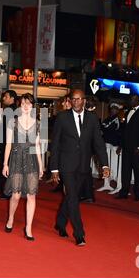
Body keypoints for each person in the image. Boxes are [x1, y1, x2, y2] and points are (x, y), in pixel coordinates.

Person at [50, 89, 110, 246]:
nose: (76, 102)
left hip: (83, 165)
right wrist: (54, 168)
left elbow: (98, 143)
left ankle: (60, 223)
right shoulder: (62, 117)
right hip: (66, 165)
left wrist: (104, 164)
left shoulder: (92, 118)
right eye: (73, 99)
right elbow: (55, 145)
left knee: (71, 196)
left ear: (84, 101)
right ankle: (79, 233)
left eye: (79, 99)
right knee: (73, 198)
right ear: (70, 101)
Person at [3, 93, 43, 241]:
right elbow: (8, 144)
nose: (26, 106)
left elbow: (37, 146)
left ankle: (28, 228)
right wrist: (5, 164)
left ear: (33, 106)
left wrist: (41, 165)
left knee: (32, 195)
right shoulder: (12, 122)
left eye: (29, 103)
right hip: (16, 159)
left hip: (32, 160)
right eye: (24, 103)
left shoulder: (39, 123)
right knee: (16, 195)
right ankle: (11, 218)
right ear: (20, 105)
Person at [116, 94, 139, 201]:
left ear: (136, 100)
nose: (129, 102)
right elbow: (124, 131)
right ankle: (124, 192)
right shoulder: (127, 111)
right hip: (126, 146)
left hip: (137, 147)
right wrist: (121, 145)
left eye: (131, 100)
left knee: (138, 171)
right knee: (125, 170)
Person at [98, 103, 122, 192]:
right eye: (112, 108)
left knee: (115, 166)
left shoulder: (117, 120)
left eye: (116, 109)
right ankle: (106, 184)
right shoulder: (107, 119)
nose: (114, 110)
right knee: (106, 165)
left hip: (115, 145)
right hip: (106, 144)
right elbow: (102, 129)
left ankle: (118, 186)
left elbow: (107, 129)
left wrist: (120, 146)